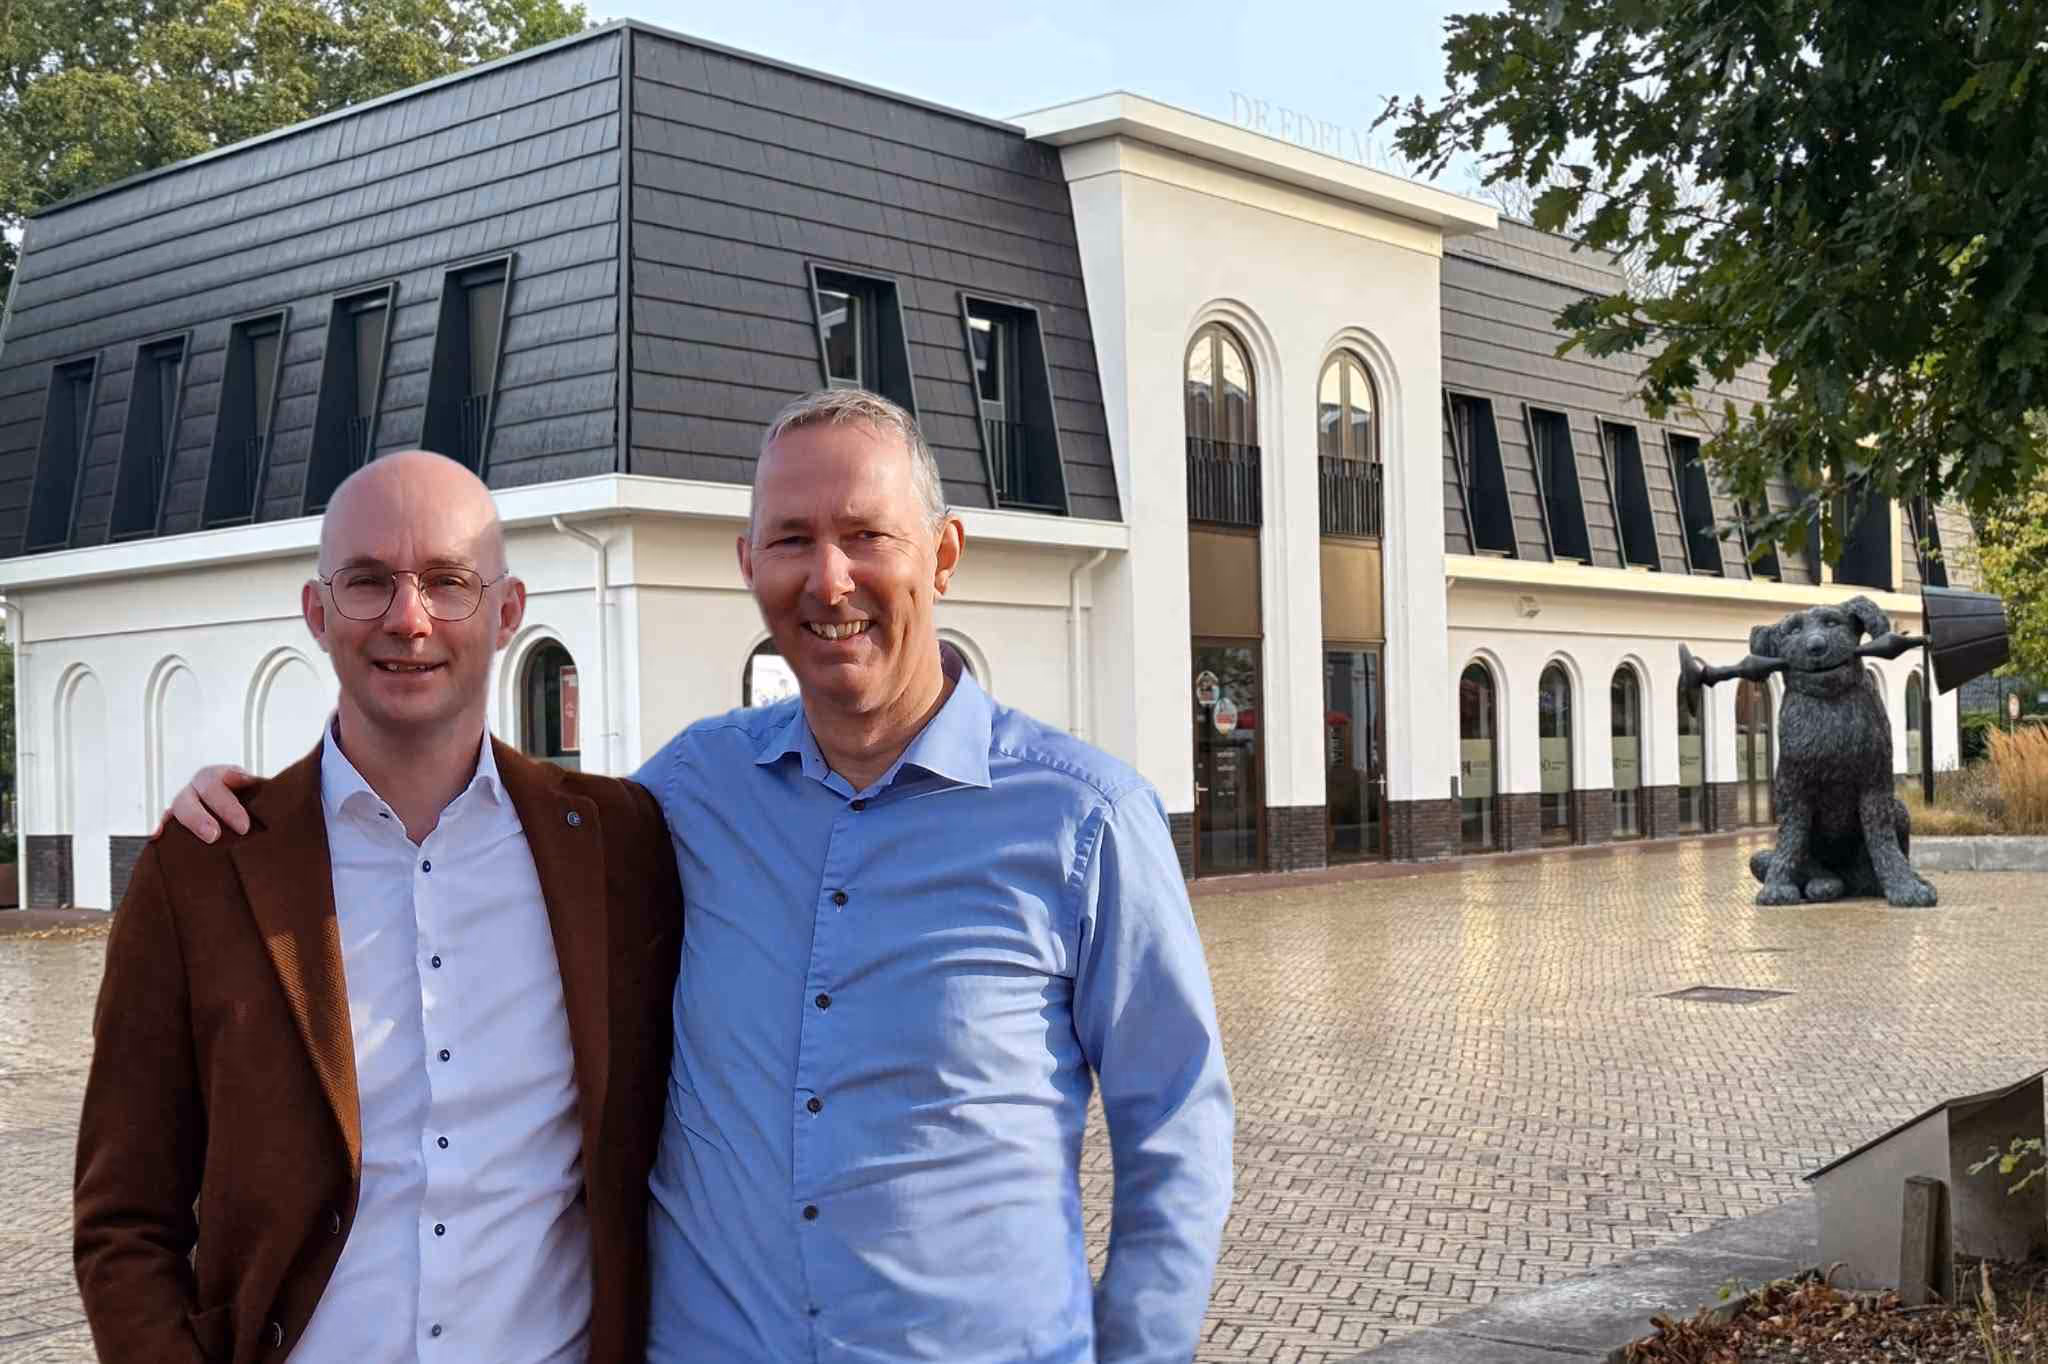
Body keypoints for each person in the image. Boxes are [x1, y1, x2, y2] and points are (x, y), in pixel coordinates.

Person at [170, 390, 1235, 1363]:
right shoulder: (686, 793)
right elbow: (488, 824)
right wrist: (268, 808)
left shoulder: (1083, 821)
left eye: (867, 534)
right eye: (791, 540)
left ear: (943, 552)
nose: (829, 579)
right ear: (746, 562)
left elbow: (1174, 1126)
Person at [84, 451, 682, 1364]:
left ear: (508, 611)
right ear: (318, 614)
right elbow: (124, 1221)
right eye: (368, 583)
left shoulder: (620, 844)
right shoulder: (201, 872)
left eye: (448, 582)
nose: (410, 619)